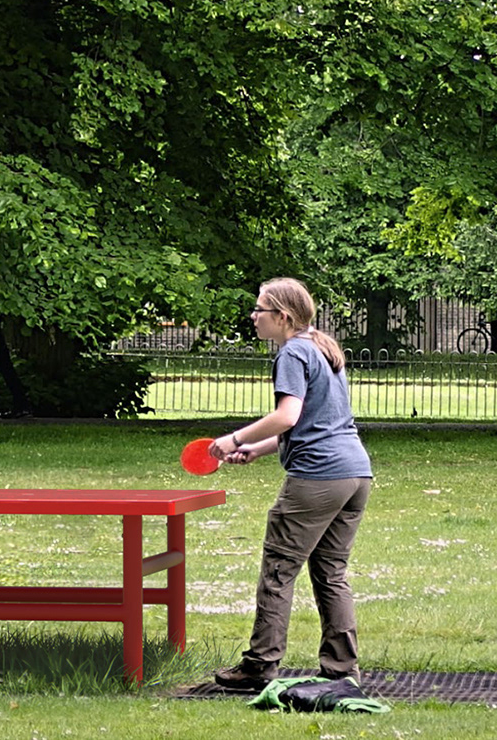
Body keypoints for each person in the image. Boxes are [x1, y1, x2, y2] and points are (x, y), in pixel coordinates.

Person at [209, 277, 374, 690]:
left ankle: (259, 666)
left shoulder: (292, 352)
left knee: (279, 571)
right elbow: (317, 420)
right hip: (355, 473)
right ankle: (341, 669)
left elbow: (288, 415)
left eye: (259, 310)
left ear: (282, 316)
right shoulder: (321, 345)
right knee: (331, 572)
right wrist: (258, 450)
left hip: (318, 477)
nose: (253, 316)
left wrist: (233, 439)